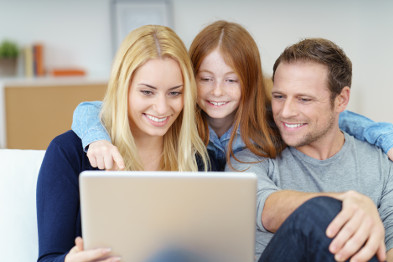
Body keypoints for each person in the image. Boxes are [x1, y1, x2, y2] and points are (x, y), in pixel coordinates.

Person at [71, 20, 393, 173]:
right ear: (188, 79)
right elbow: (92, 109)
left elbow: (338, 118)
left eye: (231, 80)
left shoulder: (268, 117)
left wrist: (385, 137)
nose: (217, 92)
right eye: (205, 79)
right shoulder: (176, 117)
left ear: (249, 83)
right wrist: (96, 139)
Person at [36, 25, 210, 262]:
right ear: (122, 88)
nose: (162, 108)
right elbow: (48, 258)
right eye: (147, 92)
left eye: (174, 93)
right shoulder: (69, 153)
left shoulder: (197, 158)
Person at [229, 38, 393, 261]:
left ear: (341, 100)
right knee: (315, 214)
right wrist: (348, 203)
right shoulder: (251, 154)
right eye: (279, 97)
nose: (286, 112)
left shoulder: (380, 164)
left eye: (304, 99)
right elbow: (263, 207)